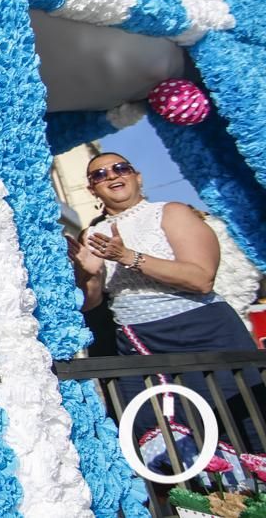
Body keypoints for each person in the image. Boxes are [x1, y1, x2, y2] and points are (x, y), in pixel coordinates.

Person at [66, 152, 264, 458]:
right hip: (138, 343)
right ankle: (193, 500)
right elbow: (92, 302)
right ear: (92, 189)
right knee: (152, 433)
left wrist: (129, 258)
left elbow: (201, 279)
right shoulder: (93, 234)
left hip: (203, 332)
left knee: (242, 418)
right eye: (99, 175)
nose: (111, 176)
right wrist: (86, 274)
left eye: (120, 168)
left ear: (137, 176)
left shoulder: (172, 212)